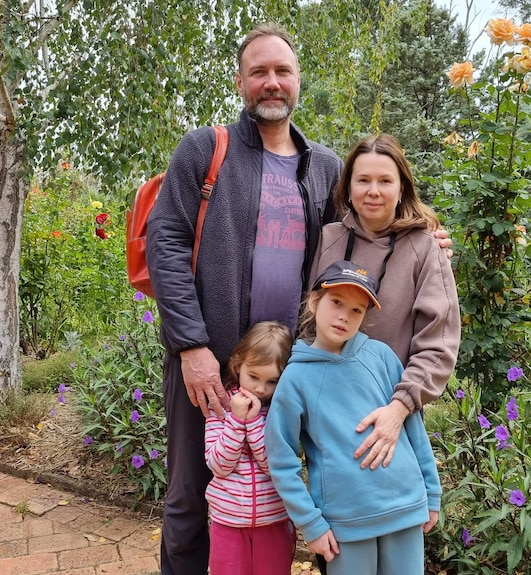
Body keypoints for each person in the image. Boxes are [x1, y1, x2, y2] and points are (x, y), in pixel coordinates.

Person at [146, 24, 453, 575]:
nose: (271, 82)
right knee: (194, 495)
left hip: (291, 371)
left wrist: (425, 233)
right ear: (241, 81)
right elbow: (165, 241)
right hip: (213, 365)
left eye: (282, 71)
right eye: (259, 72)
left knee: (281, 496)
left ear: (297, 82)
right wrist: (190, 346)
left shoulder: (325, 167)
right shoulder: (204, 150)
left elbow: (362, 229)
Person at [265, 261, 442, 575]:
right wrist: (310, 524)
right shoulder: (295, 378)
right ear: (315, 301)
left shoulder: (382, 357)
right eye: (336, 303)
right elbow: (281, 460)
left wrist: (431, 492)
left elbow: (414, 428)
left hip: (405, 508)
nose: (345, 316)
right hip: (347, 522)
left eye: (357, 310)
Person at [309, 133, 461, 474]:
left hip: (394, 416)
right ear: (347, 187)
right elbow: (307, 321)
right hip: (330, 414)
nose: (373, 191)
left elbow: (438, 343)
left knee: (396, 516)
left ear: (402, 187)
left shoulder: (426, 248)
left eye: (384, 181)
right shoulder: (328, 240)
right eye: (363, 180)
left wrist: (399, 408)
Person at [204, 321, 296, 575]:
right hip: (228, 521)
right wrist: (235, 421)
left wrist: (254, 423)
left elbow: (273, 465)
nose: (259, 388)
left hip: (274, 520)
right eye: (253, 376)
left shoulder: (279, 411)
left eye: (271, 381)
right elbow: (219, 465)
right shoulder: (220, 407)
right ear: (237, 364)